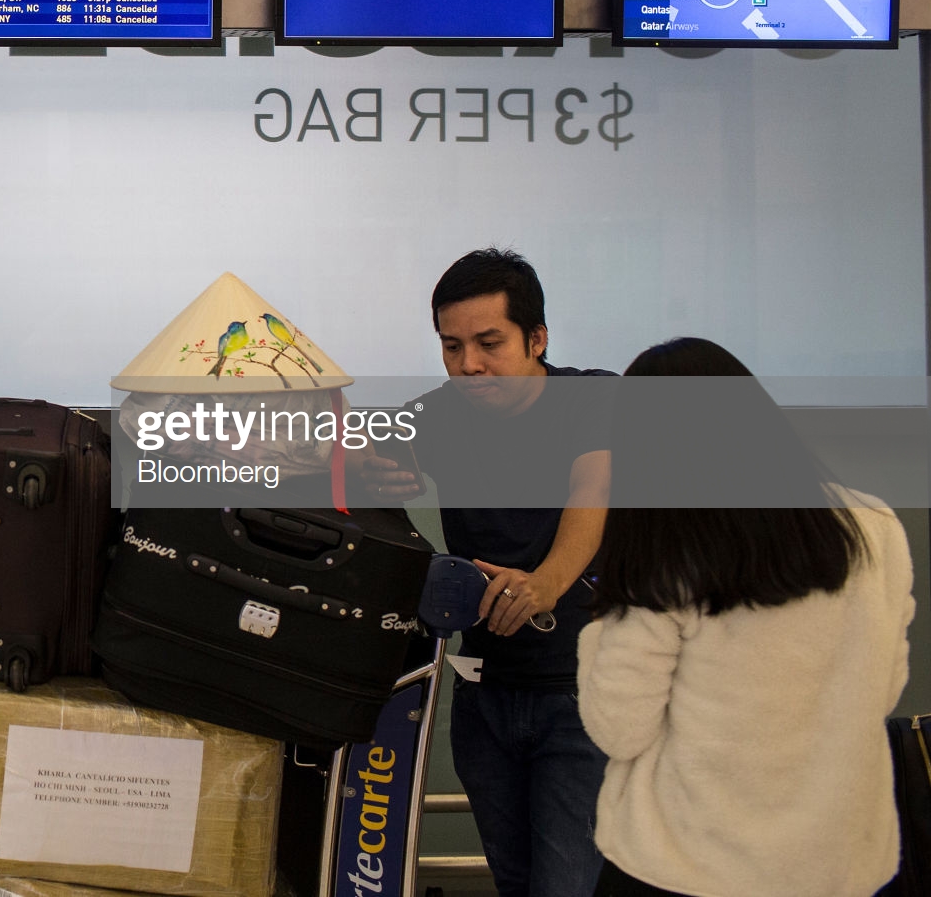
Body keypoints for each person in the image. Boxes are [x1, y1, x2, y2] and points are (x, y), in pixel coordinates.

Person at [578, 337, 915, 897]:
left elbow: (619, 726)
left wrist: (600, 629)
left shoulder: (667, 555)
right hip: (839, 862)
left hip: (688, 864)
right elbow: (885, 687)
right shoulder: (873, 526)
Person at [363, 248, 612, 897]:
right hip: (484, 692)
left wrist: (545, 583)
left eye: (489, 343)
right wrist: (369, 469)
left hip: (583, 694)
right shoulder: (441, 413)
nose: (469, 365)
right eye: (451, 347)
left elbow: (593, 493)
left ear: (538, 339)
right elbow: (357, 454)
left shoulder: (593, 399)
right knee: (515, 881)